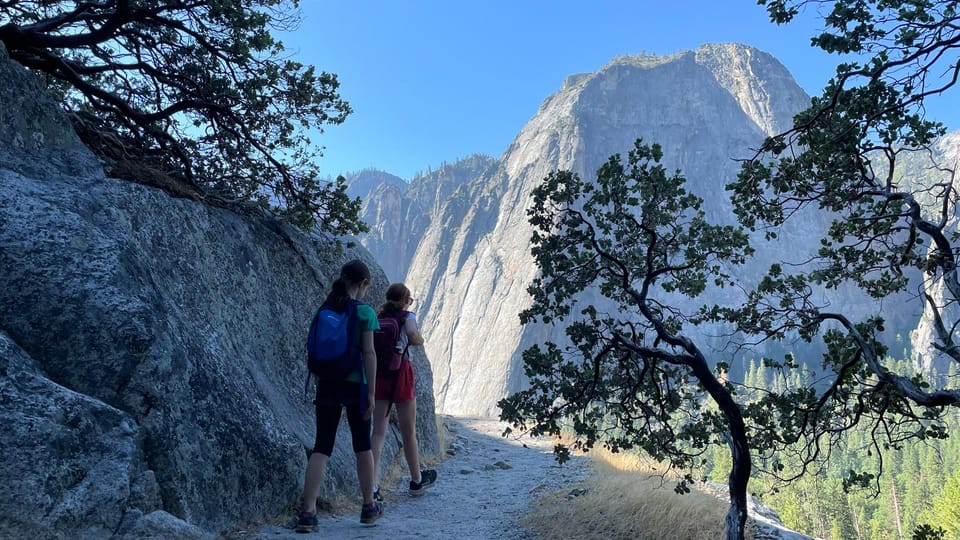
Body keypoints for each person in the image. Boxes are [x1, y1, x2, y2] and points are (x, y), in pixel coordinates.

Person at [297, 260, 384, 532]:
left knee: (321, 445)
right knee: (362, 446)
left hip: (327, 384)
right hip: (355, 385)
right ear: (363, 284)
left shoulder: (323, 309)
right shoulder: (365, 312)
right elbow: (369, 353)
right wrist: (371, 392)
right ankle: (369, 506)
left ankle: (308, 512)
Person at [370, 283, 438, 500]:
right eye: (409, 299)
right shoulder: (407, 317)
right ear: (404, 300)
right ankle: (416, 480)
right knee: (409, 432)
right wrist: (418, 338)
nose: (410, 303)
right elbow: (413, 335)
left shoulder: (378, 315)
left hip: (379, 375)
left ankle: (372, 486)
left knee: (378, 432)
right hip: (401, 374)